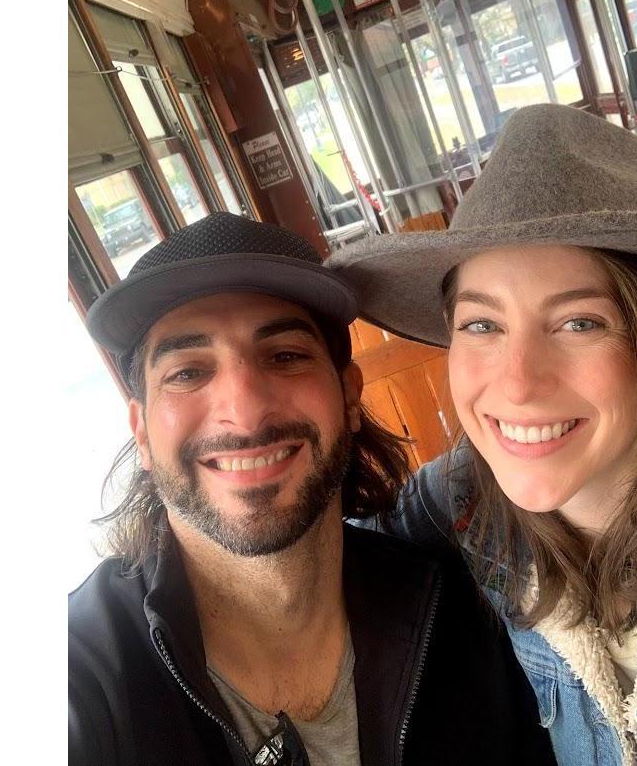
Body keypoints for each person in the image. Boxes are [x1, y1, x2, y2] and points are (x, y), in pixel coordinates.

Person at [69, 212, 555, 766]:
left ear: (349, 396)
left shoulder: (462, 611)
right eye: (187, 372)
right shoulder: (79, 682)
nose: (245, 411)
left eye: (286, 357)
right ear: (143, 431)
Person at [328, 104, 637, 766]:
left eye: (578, 323)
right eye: (481, 325)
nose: (518, 384)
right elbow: (327, 570)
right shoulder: (462, 497)